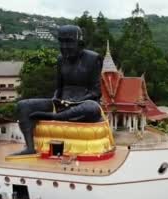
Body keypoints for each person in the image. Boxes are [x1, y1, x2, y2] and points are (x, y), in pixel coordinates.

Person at [11, 25, 104, 156]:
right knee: (23, 105)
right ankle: (30, 147)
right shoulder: (61, 59)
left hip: (82, 103)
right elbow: (59, 88)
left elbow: (96, 92)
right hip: (61, 104)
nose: (65, 46)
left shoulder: (93, 59)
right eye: (62, 42)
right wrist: (56, 97)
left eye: (69, 42)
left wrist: (75, 102)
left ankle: (54, 117)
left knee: (92, 108)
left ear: (80, 43)